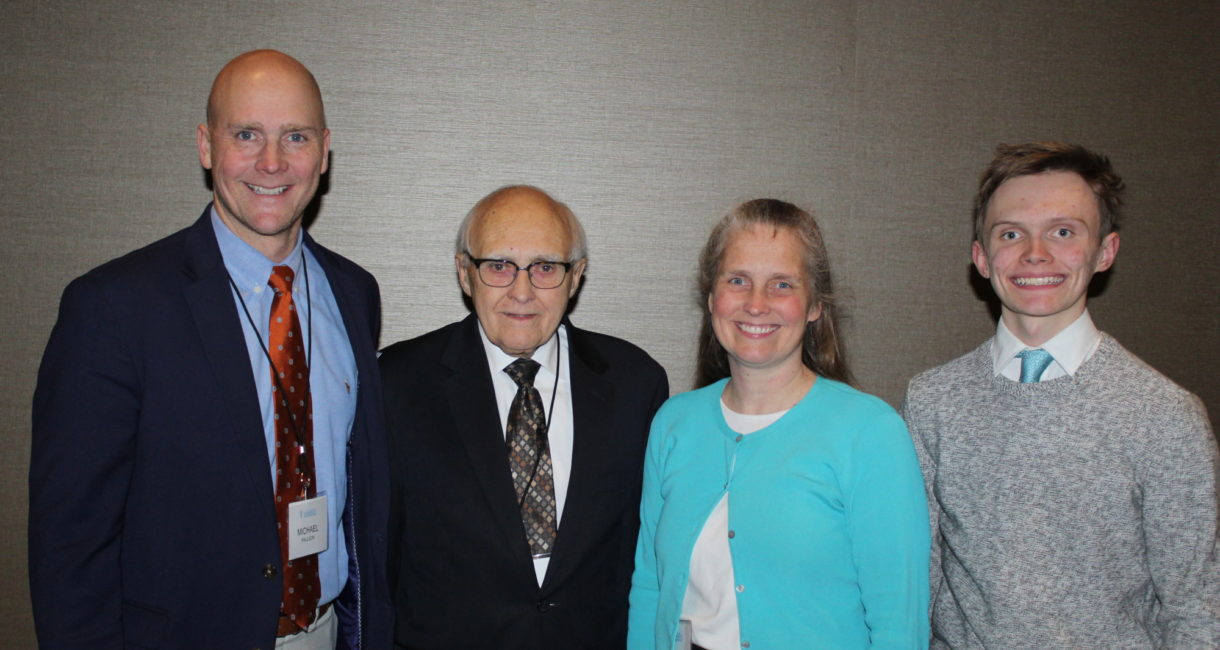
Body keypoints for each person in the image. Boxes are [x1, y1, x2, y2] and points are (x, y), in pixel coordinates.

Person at [29, 50, 392, 649]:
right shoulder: (115, 308)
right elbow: (70, 544)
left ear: (324, 151)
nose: (271, 162)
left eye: (294, 136)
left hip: (326, 631)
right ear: (205, 146)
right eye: (246, 134)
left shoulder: (354, 293)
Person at [903, 142, 1219, 648]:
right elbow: (920, 580)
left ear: (1106, 251)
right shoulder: (932, 401)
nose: (1035, 253)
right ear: (981, 257)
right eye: (1011, 233)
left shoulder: (1165, 416)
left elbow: (1195, 608)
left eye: (1064, 232)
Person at [628, 199, 930, 650]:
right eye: (737, 281)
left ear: (813, 305)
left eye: (782, 284)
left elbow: (898, 624)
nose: (756, 304)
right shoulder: (674, 423)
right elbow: (650, 586)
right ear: (711, 297)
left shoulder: (870, 433)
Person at [379, 185, 669, 648]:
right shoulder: (397, 384)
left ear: (576, 277)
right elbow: (378, 561)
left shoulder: (636, 384)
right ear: (464, 272)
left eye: (545, 268)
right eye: (498, 266)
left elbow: (648, 552)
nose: (522, 291)